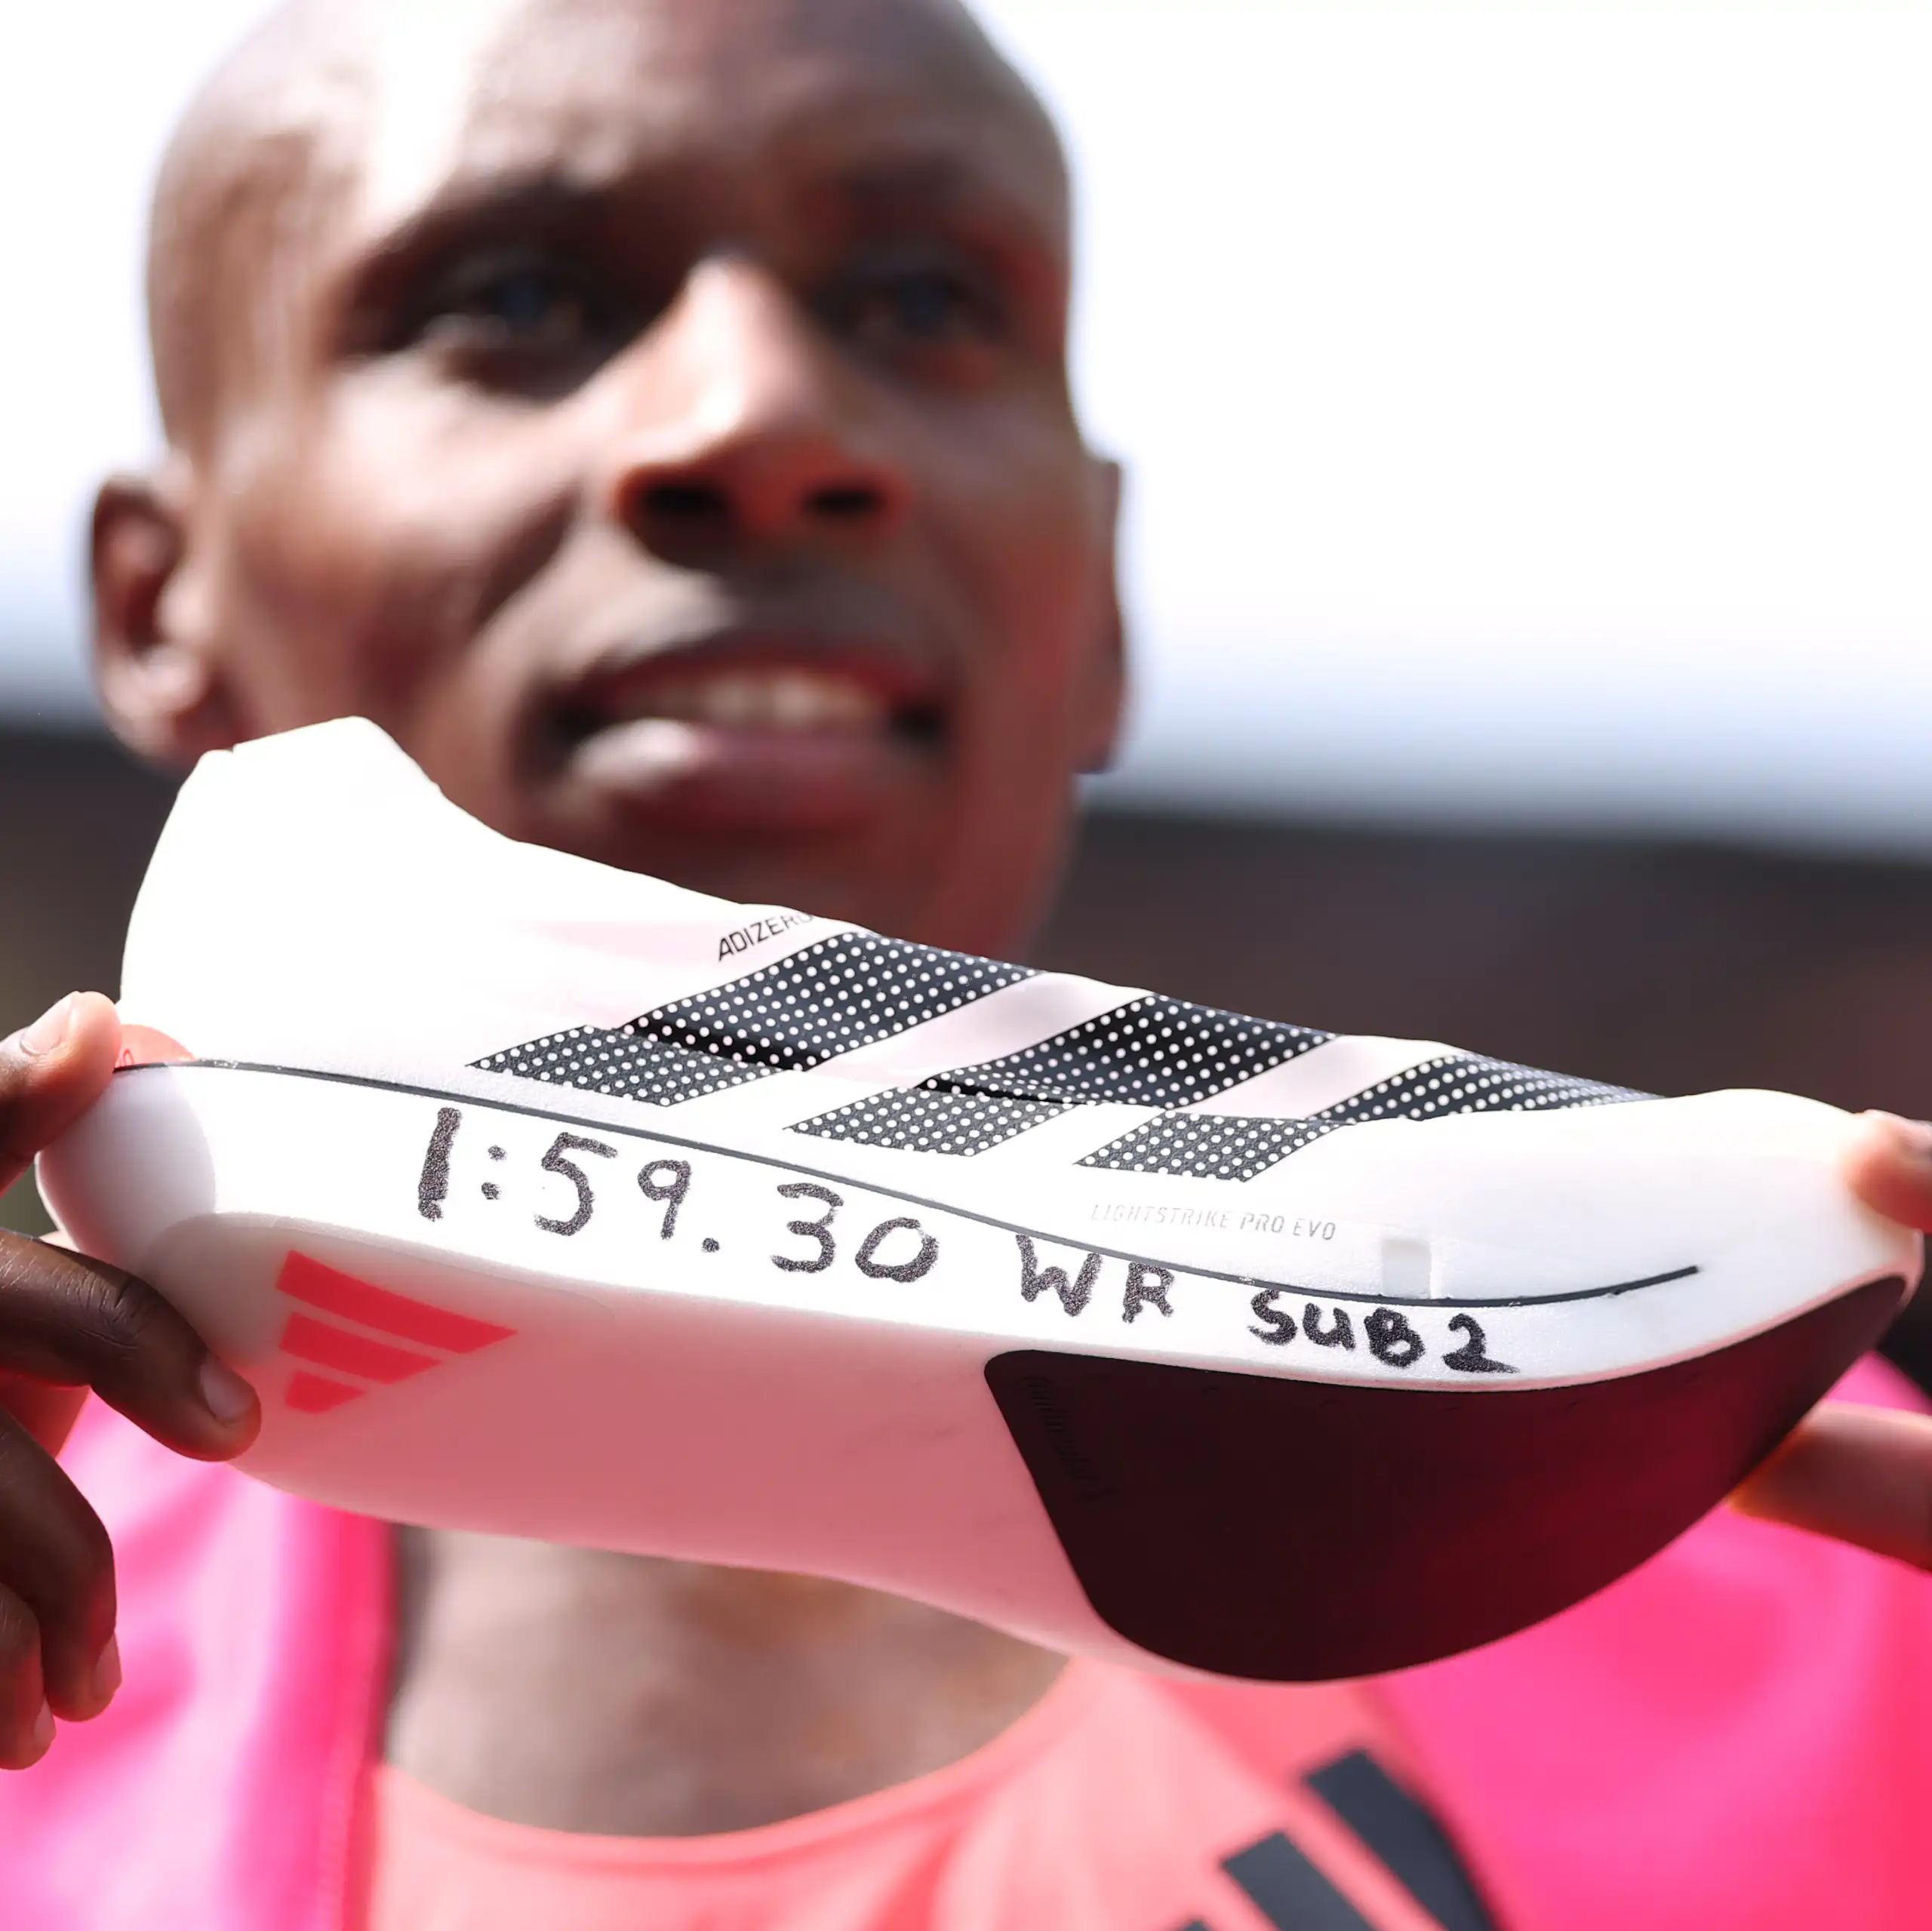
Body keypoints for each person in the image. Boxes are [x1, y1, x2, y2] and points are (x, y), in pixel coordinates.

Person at [2, 0, 1930, 1923]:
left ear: (1093, 606)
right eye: (516, 300)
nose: (753, 419)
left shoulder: (1818, 1565)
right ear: (158, 603)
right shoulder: (36, 1685)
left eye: (920, 303)